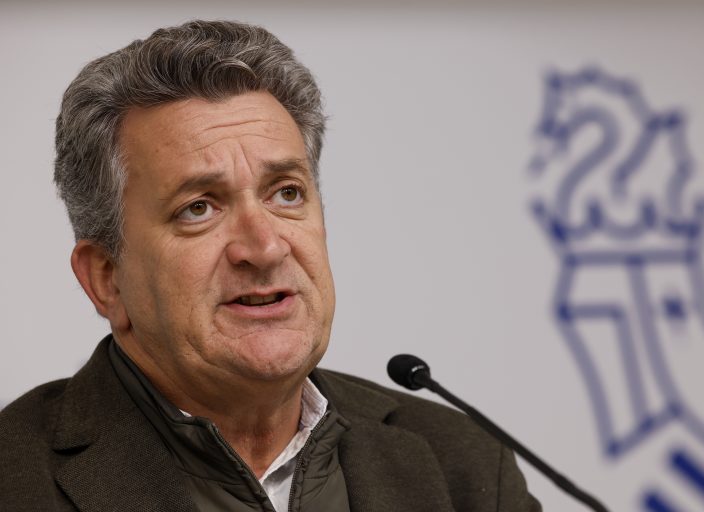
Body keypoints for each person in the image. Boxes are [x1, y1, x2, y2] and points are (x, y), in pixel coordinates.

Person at [0, 20, 540, 511]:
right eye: (199, 208)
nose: (264, 248)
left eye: (286, 193)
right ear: (106, 278)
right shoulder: (14, 479)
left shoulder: (463, 466)